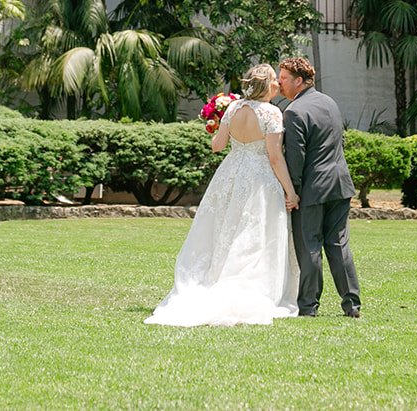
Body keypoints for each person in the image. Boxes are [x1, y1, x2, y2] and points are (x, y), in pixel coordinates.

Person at [145, 63, 300, 327]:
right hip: (259, 179)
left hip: (230, 175)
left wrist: (216, 124)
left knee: (226, 229)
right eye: (274, 79)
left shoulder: (232, 108)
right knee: (255, 231)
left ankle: (217, 276)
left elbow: (217, 146)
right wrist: (291, 192)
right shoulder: (272, 113)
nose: (277, 84)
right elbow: (275, 158)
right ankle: (248, 283)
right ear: (265, 85)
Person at [277, 56, 361, 319]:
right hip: (340, 184)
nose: (280, 85)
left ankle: (308, 306)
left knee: (310, 245)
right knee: (338, 243)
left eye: (284, 80)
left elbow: (296, 157)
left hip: (312, 189)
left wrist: (292, 191)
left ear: (299, 81)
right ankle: (352, 304)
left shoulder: (293, 112)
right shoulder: (329, 102)